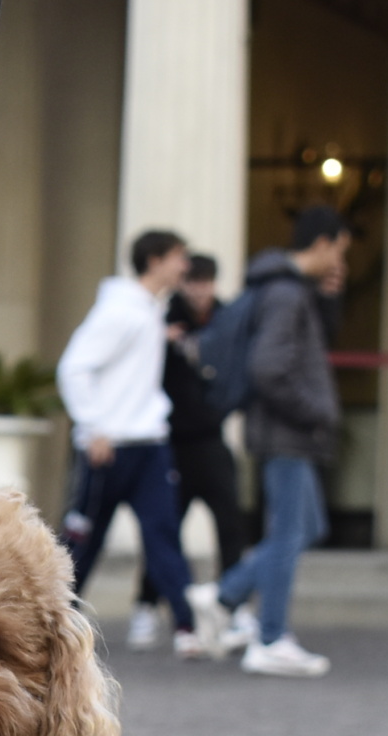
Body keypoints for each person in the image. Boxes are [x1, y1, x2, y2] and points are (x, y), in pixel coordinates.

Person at [213, 206, 350, 678]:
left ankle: (226, 595)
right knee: (290, 533)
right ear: (324, 243)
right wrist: (315, 412)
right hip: (287, 433)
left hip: (285, 433)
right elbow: (269, 367)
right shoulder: (287, 294)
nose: (340, 262)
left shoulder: (288, 290)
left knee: (304, 527)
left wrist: (331, 299)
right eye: (340, 251)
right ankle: (270, 637)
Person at [58, 230, 203, 656]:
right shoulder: (120, 312)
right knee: (85, 540)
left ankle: (186, 625)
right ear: (154, 260)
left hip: (150, 445)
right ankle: (47, 622)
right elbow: (74, 368)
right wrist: (94, 428)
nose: (184, 266)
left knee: (163, 534)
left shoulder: (147, 311)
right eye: (179, 257)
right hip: (111, 448)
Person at [127, 253, 246, 650]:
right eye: (193, 281)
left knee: (230, 523)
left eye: (207, 282)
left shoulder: (227, 320)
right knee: (164, 530)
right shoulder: (161, 318)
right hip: (173, 442)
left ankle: (233, 605)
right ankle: (146, 605)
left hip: (212, 439)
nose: (200, 290)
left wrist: (219, 409)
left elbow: (236, 373)